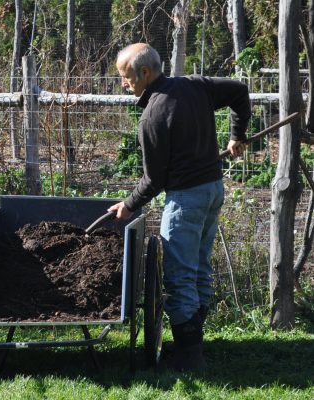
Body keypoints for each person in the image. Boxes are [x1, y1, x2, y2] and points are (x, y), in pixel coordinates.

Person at [108, 43, 251, 372]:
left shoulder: (153, 116)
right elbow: (240, 91)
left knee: (179, 277)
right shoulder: (194, 85)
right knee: (198, 267)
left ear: (144, 73)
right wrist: (236, 134)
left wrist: (128, 206)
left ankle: (189, 356)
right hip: (213, 190)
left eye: (126, 76)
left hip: (186, 200)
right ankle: (193, 343)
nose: (124, 82)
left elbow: (154, 180)